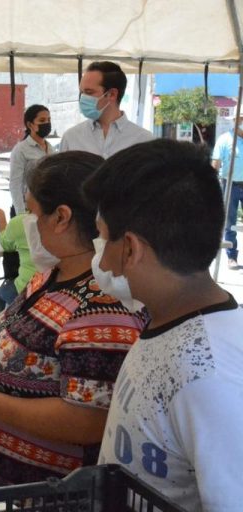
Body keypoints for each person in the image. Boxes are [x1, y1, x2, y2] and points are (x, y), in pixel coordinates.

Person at [0, 151, 145, 486]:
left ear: (61, 217)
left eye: (32, 213)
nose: (29, 223)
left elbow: (88, 420)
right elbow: (17, 337)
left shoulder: (103, 305)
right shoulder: (50, 275)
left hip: (60, 498)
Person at [86, 139, 243, 511]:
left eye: (104, 238)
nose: (103, 264)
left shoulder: (205, 376)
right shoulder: (168, 320)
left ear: (131, 249)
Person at [60, 61, 153, 158]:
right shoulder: (71, 138)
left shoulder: (144, 140)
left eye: (89, 92)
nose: (82, 98)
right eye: (81, 92)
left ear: (112, 94)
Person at [9, 104, 55, 215]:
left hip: (46, 209)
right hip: (27, 209)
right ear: (30, 124)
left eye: (49, 120)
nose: (47, 123)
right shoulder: (21, 149)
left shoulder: (51, 149)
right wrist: (21, 214)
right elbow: (15, 184)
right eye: (42, 120)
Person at [211, 114, 243, 269]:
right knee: (230, 222)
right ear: (235, 120)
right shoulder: (225, 140)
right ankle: (232, 256)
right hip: (230, 185)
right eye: (241, 119)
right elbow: (215, 164)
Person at [0, 208, 36, 311]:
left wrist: (1, 218)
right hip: (58, 289)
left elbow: (5, 243)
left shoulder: (21, 221)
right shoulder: (71, 223)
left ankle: (2, 324)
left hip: (27, 289)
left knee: (2, 293)